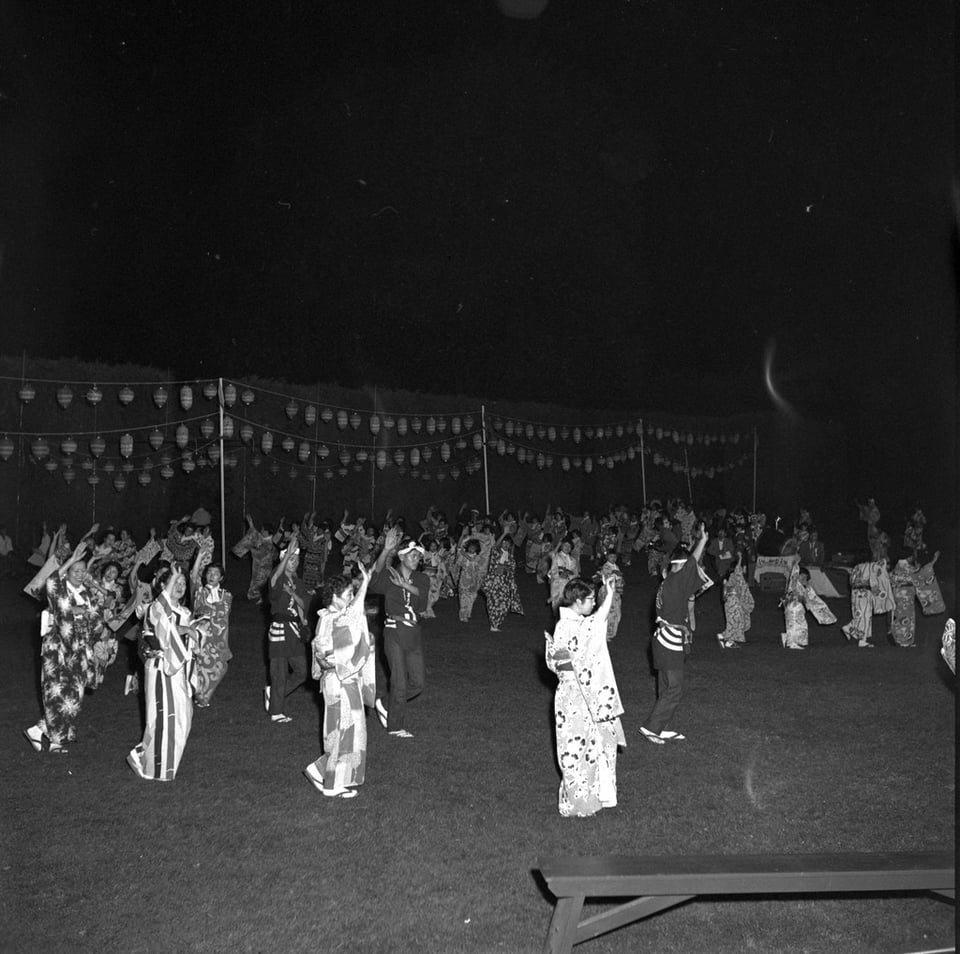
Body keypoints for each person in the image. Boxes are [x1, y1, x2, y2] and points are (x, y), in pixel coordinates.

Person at [544, 576, 625, 817]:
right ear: (578, 602)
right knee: (576, 748)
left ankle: (597, 793)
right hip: (575, 697)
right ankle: (579, 801)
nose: (592, 604)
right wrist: (608, 595)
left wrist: (607, 595)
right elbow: (596, 623)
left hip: (580, 693)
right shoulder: (570, 626)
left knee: (596, 744)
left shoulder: (571, 623)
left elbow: (593, 622)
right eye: (590, 600)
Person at [127, 565, 209, 780]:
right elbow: (160, 621)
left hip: (179, 671)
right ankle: (155, 770)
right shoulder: (154, 609)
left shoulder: (184, 612)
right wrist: (184, 631)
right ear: (163, 586)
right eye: (175, 583)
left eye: (183, 583)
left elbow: (195, 641)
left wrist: (193, 631)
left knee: (184, 717)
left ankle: (143, 753)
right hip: (161, 669)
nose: (180, 587)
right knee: (165, 719)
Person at [23, 541, 105, 754]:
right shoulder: (61, 587)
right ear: (67, 571)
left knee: (75, 694)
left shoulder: (87, 593)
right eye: (74, 570)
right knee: (57, 693)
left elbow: (97, 617)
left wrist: (90, 606)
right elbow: (51, 584)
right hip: (58, 648)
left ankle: (39, 730)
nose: (78, 574)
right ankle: (57, 740)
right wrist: (75, 611)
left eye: (82, 570)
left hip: (79, 650)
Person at [304, 566, 376, 799]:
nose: (350, 596)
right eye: (346, 592)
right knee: (341, 730)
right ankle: (332, 783)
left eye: (351, 592)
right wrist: (364, 583)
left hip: (348, 681)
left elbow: (355, 618)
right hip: (338, 682)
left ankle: (322, 770)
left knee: (353, 730)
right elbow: (325, 655)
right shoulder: (330, 619)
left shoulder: (340, 617)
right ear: (333, 596)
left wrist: (364, 583)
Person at [640, 523, 709, 744]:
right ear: (680, 566)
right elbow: (691, 564)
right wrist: (703, 541)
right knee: (675, 688)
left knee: (666, 686)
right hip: (670, 641)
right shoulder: (676, 581)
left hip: (661, 638)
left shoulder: (667, 583)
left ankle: (662, 727)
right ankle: (651, 728)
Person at [369, 528, 429, 739]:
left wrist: (406, 586)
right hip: (394, 631)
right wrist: (385, 551)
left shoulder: (422, 578)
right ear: (402, 556)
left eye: (419, 556)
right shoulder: (389, 575)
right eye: (413, 555)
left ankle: (384, 703)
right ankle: (395, 727)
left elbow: (422, 602)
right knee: (400, 682)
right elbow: (373, 580)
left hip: (413, 633)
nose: (417, 559)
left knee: (418, 684)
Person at [265, 540, 310, 723]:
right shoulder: (279, 578)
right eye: (290, 559)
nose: (295, 562)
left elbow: (305, 603)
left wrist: (292, 593)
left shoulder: (297, 582)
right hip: (280, 629)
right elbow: (273, 581)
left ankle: (274, 692)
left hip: (294, 630)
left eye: (296, 559)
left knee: (301, 672)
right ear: (283, 561)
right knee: (280, 672)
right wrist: (283, 561)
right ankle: (276, 712)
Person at [190, 556, 234, 706]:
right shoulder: (199, 591)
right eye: (209, 572)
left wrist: (210, 609)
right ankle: (202, 697)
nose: (211, 576)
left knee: (220, 666)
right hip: (201, 634)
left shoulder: (226, 595)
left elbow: (224, 613)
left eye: (215, 573)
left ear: (221, 577)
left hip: (218, 636)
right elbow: (193, 576)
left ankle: (200, 693)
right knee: (201, 665)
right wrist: (199, 557)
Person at [780, 564, 837, 650]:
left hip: (797, 607)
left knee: (800, 625)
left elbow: (810, 597)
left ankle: (787, 638)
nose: (804, 579)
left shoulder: (803, 587)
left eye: (805, 578)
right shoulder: (794, 584)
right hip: (793, 606)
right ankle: (792, 642)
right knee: (795, 625)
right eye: (802, 577)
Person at [841, 557, 894, 649]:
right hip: (864, 593)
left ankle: (850, 628)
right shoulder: (870, 566)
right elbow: (880, 567)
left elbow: (850, 582)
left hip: (854, 593)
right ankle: (862, 640)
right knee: (865, 616)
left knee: (858, 615)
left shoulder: (855, 568)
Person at [480, 534, 524, 632]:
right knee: (493, 602)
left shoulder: (510, 557)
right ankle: (494, 624)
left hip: (504, 582)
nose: (505, 545)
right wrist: (504, 533)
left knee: (505, 603)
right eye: (503, 542)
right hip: (494, 581)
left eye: (507, 543)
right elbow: (494, 547)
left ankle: (496, 623)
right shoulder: (496, 552)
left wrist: (506, 569)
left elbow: (512, 570)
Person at [717, 552, 754, 648]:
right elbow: (738, 570)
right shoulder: (735, 575)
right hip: (734, 601)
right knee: (735, 620)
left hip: (729, 600)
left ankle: (723, 636)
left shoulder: (729, 577)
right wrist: (740, 558)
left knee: (732, 620)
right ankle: (729, 641)